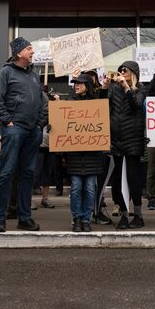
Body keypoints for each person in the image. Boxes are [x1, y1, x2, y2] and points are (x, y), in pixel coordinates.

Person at [0, 37, 48, 233]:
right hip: (14, 129)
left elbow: (41, 101)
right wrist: (8, 121)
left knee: (28, 174)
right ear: (18, 53)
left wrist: (40, 123)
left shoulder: (34, 74)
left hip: (33, 130)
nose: (33, 52)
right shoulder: (5, 72)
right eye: (29, 48)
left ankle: (25, 218)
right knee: (6, 173)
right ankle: (0, 218)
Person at [64, 73, 105, 232]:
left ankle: (86, 219)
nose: (76, 86)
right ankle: (76, 219)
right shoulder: (69, 104)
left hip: (92, 156)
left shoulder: (96, 105)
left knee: (89, 189)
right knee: (75, 188)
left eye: (80, 83)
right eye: (75, 83)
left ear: (87, 86)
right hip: (75, 155)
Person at [108, 60, 147, 229]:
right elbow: (103, 106)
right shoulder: (114, 89)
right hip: (117, 141)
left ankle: (138, 215)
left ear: (133, 73)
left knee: (133, 179)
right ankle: (124, 214)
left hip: (133, 141)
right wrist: (104, 87)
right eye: (120, 71)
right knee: (118, 180)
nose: (122, 73)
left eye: (125, 70)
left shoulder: (140, 89)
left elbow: (137, 104)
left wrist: (127, 88)